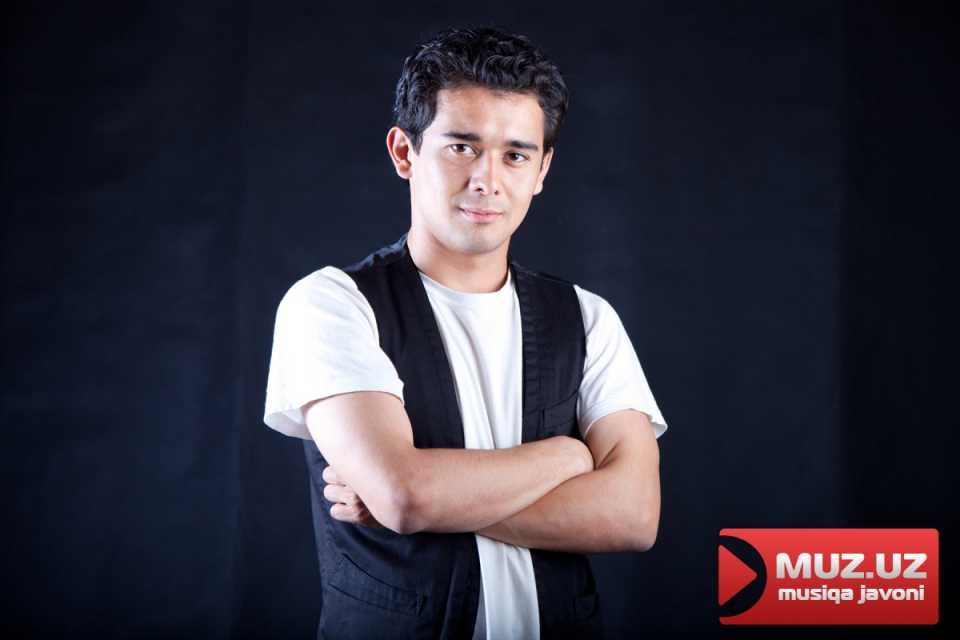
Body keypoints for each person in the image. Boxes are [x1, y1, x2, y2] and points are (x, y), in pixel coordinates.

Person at [263, 25, 667, 640]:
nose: (487, 179)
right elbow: (404, 496)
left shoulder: (586, 317)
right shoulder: (332, 304)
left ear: (542, 169)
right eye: (461, 147)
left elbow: (634, 515)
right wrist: (569, 456)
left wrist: (431, 499)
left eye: (516, 155)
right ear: (404, 152)